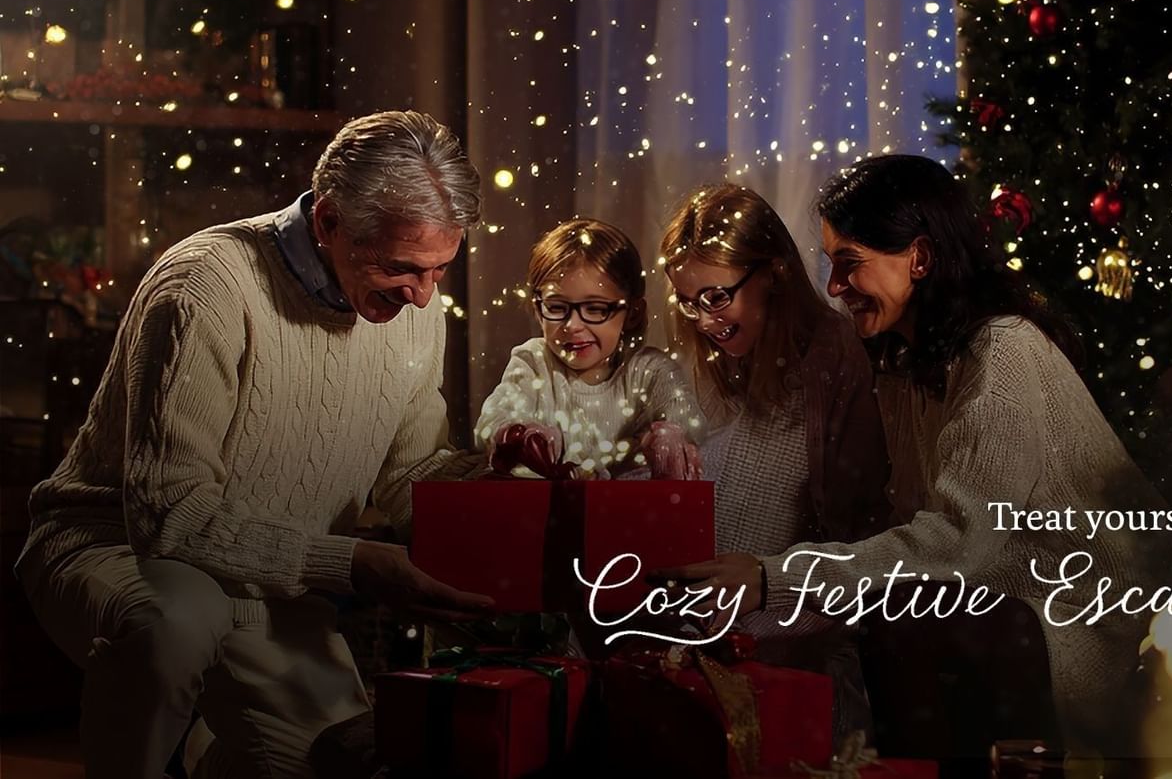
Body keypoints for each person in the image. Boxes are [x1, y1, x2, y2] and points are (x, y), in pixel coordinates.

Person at [15, 110, 495, 778]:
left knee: (341, 763)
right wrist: (354, 564)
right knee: (177, 622)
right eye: (402, 267)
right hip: (117, 545)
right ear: (328, 222)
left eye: (441, 269)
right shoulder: (206, 284)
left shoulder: (417, 310)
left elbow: (412, 470)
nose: (422, 296)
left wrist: (501, 484)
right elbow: (168, 516)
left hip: (272, 581)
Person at [665, 156, 1161, 757]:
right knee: (898, 609)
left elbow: (956, 541)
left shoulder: (1001, 353)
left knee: (902, 612)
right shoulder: (903, 363)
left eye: (849, 264)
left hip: (1090, 621)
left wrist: (775, 576)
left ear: (920, 259)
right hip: (1001, 608)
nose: (833, 287)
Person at [659, 183, 894, 741]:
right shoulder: (711, 366)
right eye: (688, 301)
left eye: (716, 297)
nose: (703, 320)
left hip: (795, 665)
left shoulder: (835, 363)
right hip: (711, 658)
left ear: (774, 274)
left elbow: (859, 537)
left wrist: (761, 611)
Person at [474, 218, 704, 480]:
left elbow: (688, 422)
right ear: (538, 311)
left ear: (632, 313)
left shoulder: (650, 371)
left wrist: (669, 435)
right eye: (557, 307)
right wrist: (519, 435)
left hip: (627, 512)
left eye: (595, 309)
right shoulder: (534, 362)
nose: (572, 325)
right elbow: (491, 423)